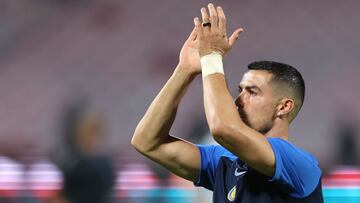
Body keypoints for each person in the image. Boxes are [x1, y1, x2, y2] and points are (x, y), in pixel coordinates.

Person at [132, 3, 323, 202]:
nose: (238, 101)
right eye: (240, 90)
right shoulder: (225, 161)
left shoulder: (299, 164)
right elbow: (147, 142)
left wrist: (212, 57)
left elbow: (223, 128)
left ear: (284, 107)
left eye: (252, 92)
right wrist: (184, 70)